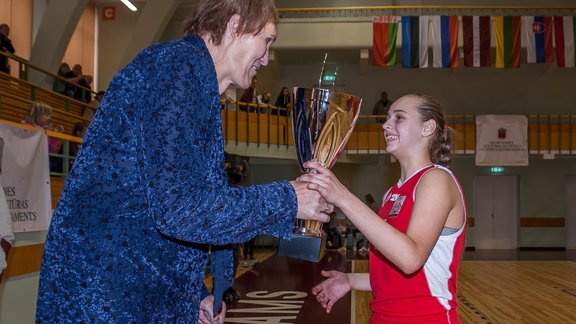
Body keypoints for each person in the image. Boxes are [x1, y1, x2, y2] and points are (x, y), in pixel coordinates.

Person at [35, 1, 332, 323]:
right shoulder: (176, 69)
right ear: (235, 26)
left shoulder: (190, 77)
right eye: (267, 40)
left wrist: (195, 294)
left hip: (135, 286)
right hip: (106, 292)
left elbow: (179, 206)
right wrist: (287, 199)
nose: (266, 57)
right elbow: (179, 209)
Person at [301, 94, 467, 323]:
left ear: (427, 128)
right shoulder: (392, 193)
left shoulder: (436, 179)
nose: (386, 125)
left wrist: (343, 197)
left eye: (398, 118)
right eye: (387, 118)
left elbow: (410, 259)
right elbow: (395, 273)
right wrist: (351, 280)